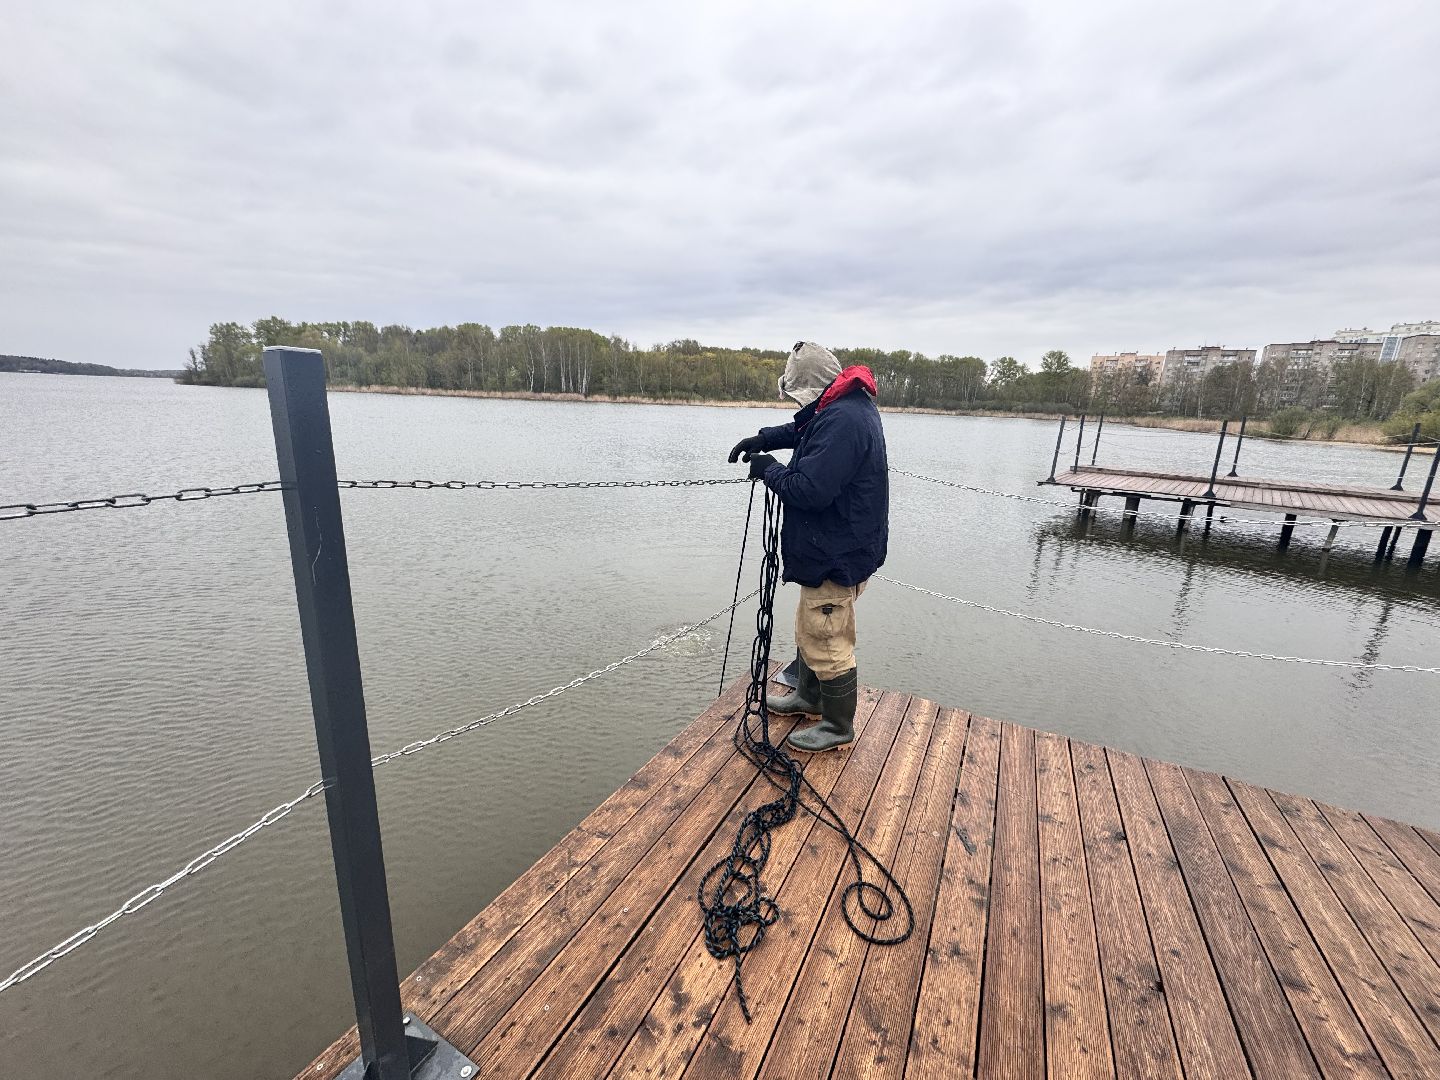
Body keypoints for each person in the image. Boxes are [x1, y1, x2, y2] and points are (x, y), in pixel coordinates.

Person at [728, 341, 888, 752]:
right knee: (811, 627)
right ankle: (810, 698)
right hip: (836, 547)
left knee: (829, 639)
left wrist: (770, 472)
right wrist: (762, 440)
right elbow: (802, 429)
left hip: (838, 554)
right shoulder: (841, 406)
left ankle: (837, 726)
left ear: (811, 386)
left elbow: (810, 490)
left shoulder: (844, 421)